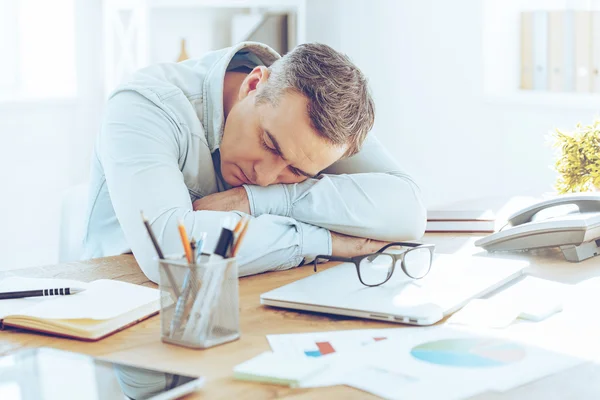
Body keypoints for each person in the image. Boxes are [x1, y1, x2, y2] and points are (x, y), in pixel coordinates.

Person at [82, 41, 426, 283]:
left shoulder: (321, 126)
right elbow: (173, 253)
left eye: (296, 172)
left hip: (245, 299)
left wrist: (258, 201)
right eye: (269, 143)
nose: (264, 176)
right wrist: (325, 242)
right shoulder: (145, 104)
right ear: (254, 84)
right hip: (120, 319)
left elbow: (408, 210)